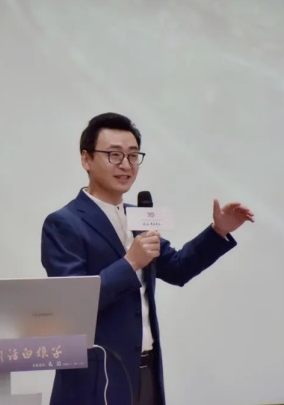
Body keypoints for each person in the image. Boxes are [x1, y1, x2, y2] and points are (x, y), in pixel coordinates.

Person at [40, 112, 254, 405]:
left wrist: (218, 231)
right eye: (114, 155)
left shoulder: (138, 217)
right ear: (86, 159)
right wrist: (130, 264)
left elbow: (178, 268)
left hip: (146, 368)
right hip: (96, 377)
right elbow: (72, 304)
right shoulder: (64, 223)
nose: (126, 165)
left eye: (133, 155)